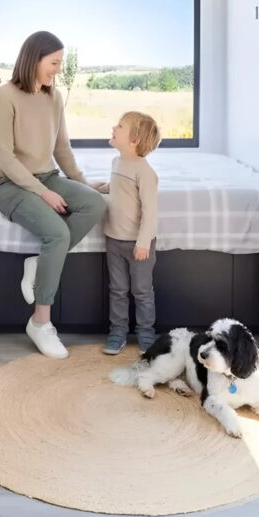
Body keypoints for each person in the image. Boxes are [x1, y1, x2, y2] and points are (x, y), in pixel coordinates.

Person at [0, 31, 106, 359]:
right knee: (56, 232)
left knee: (96, 203)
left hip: (46, 175)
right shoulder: (5, 96)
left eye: (60, 63)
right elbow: (3, 157)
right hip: (7, 183)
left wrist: (81, 183)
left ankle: (38, 266)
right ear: (34, 59)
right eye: (53, 62)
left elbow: (61, 148)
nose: (58, 69)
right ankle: (40, 322)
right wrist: (42, 193)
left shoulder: (54, 97)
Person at [101, 110, 161, 355]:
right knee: (117, 289)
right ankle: (118, 332)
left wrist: (143, 242)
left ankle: (146, 334)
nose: (114, 128)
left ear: (134, 140)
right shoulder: (117, 162)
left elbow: (150, 212)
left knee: (142, 291)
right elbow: (116, 188)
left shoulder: (145, 172)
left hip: (139, 244)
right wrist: (99, 188)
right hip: (114, 239)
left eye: (120, 126)